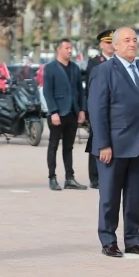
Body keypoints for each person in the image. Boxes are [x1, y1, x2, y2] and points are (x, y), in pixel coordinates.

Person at [87, 27, 139, 258]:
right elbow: (97, 110)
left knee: (134, 197)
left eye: (134, 40)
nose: (132, 44)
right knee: (109, 196)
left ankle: (133, 239)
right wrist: (103, 144)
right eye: (127, 40)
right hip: (114, 146)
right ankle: (108, 240)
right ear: (115, 45)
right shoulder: (103, 71)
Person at [42, 38, 86, 190]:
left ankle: (70, 178)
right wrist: (53, 111)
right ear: (58, 50)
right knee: (53, 145)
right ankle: (52, 177)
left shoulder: (75, 68)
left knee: (68, 147)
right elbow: (47, 92)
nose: (70, 50)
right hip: (58, 113)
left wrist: (82, 110)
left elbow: (80, 90)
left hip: (72, 112)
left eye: (70, 48)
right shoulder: (50, 68)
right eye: (66, 48)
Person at [83, 29, 115, 189]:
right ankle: (94, 177)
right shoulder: (95, 63)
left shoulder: (119, 61)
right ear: (101, 45)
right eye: (108, 43)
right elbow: (91, 89)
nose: (111, 46)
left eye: (113, 43)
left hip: (115, 110)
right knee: (97, 141)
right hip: (99, 108)